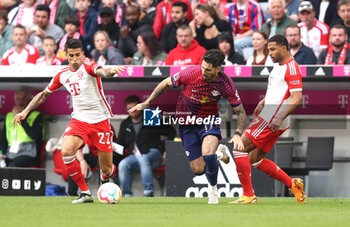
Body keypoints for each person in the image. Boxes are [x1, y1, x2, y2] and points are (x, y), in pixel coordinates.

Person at [12, 39, 125, 203]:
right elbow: (43, 94)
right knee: (66, 150)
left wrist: (110, 71)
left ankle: (106, 174)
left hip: (100, 120)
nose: (75, 59)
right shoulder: (62, 74)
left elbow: (102, 72)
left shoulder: (88, 65)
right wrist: (25, 111)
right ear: (66, 55)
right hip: (79, 119)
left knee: (107, 169)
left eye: (78, 55)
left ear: (82, 54)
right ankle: (85, 193)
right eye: (71, 56)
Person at [129, 49, 248, 204]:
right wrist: (147, 103)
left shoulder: (226, 84)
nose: (204, 71)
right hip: (186, 123)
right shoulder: (191, 73)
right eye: (203, 67)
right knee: (198, 170)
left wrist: (238, 133)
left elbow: (241, 112)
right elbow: (165, 84)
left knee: (207, 154)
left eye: (208, 70)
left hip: (208, 120)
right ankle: (219, 153)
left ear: (218, 69)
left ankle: (213, 190)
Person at [230, 34, 305, 204]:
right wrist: (264, 101)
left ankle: (249, 195)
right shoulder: (278, 65)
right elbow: (279, 90)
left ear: (284, 48)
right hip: (271, 112)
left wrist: (278, 117)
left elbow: (297, 98)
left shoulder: (292, 68)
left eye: (272, 49)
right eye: (268, 49)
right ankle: (293, 184)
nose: (269, 53)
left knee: (239, 148)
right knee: (255, 159)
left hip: (273, 116)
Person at [117, 95, 176, 197]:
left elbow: (172, 132)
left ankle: (148, 192)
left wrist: (167, 150)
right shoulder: (125, 123)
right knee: (123, 164)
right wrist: (110, 146)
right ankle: (126, 194)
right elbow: (121, 143)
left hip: (154, 153)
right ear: (126, 110)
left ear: (140, 107)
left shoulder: (151, 116)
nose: (133, 110)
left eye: (134, 107)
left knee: (143, 158)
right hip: (135, 156)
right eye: (129, 108)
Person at [0, 88, 44, 167]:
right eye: (18, 99)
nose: (20, 102)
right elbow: (3, 139)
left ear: (29, 100)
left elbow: (35, 135)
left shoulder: (37, 115)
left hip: (29, 154)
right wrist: (2, 153)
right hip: (11, 153)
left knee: (12, 167)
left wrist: (21, 118)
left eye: (23, 99)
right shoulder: (9, 116)